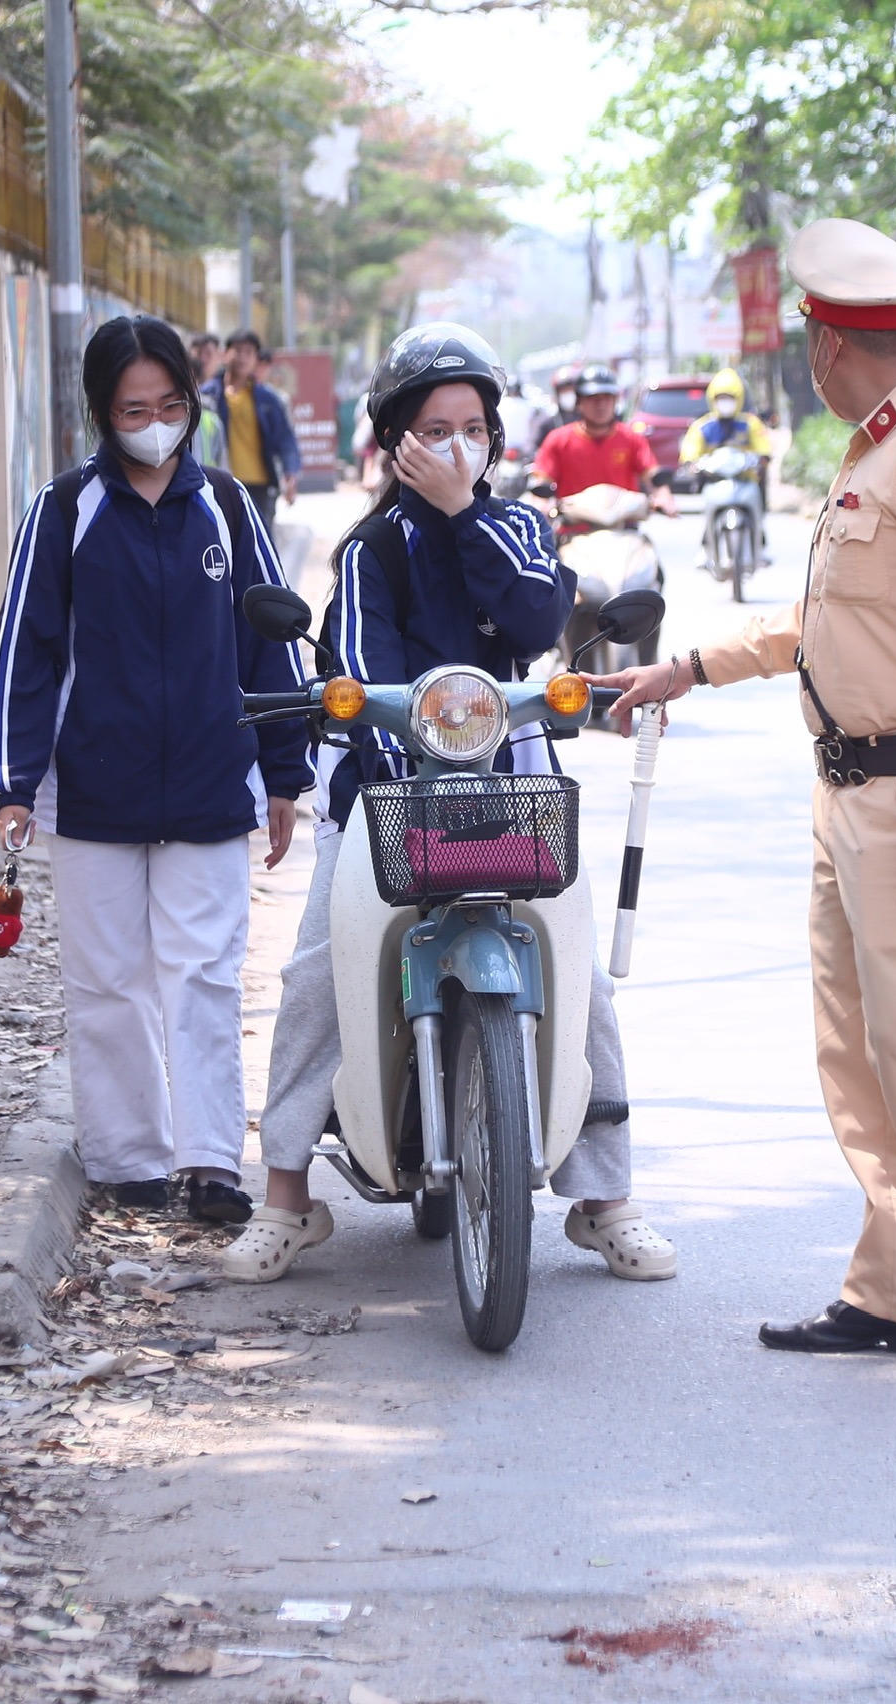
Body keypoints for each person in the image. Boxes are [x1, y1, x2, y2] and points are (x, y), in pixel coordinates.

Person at [586, 218, 896, 1366]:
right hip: (845, 789)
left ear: (831, 345)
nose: (806, 356)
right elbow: (833, 623)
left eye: (811, 335)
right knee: (854, 1046)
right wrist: (695, 667)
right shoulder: (874, 450)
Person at [222, 321, 678, 1287]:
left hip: (512, 792)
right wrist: (401, 764)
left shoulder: (515, 528)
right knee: (313, 975)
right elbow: (357, 668)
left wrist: (466, 511)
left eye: (474, 426)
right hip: (389, 800)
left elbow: (528, 618)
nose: (457, 444)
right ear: (397, 442)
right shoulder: (368, 552)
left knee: (582, 980)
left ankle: (605, 1199)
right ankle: (286, 1196)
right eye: (435, 428)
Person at [0, 315, 314, 1224]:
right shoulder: (63, 511)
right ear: (100, 413)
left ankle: (211, 1160)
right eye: (135, 408)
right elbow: (27, 650)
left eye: (172, 404)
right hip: (93, 787)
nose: (156, 423)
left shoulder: (231, 508)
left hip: (212, 780)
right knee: (107, 978)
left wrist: (285, 774)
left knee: (206, 972)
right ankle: (128, 1154)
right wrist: (13, 779)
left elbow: (269, 642)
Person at [532, 365, 676, 514]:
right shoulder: (558, 440)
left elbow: (652, 474)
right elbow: (542, 481)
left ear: (615, 401)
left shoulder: (631, 438)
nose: (601, 405)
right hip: (573, 529)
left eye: (607, 398)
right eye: (593, 399)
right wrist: (541, 506)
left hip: (624, 527)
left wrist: (663, 496)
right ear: (579, 402)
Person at [679, 366, 778, 561]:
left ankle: (761, 543)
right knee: (707, 511)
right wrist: (691, 464)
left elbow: (763, 445)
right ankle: (706, 545)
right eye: (721, 397)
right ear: (713, 398)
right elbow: (690, 449)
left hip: (746, 480)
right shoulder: (703, 426)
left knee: (760, 503)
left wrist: (763, 457)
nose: (725, 403)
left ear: (739, 398)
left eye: (730, 397)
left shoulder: (750, 423)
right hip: (714, 481)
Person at [205, 329, 301, 530]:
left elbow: (285, 438)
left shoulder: (268, 399)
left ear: (256, 359)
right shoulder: (208, 396)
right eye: (238, 350)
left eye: (249, 353)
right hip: (221, 483)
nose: (242, 357)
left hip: (260, 485)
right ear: (226, 354)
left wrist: (290, 473)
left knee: (259, 543)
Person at [188, 331, 229, 468]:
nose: (203, 359)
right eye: (199, 354)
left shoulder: (227, 392)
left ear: (220, 355)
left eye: (208, 354)